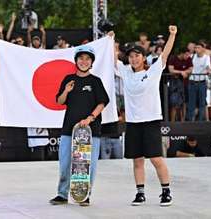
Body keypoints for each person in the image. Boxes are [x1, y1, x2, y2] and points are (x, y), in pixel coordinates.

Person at [113, 25, 177, 207]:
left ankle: (166, 191)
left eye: (137, 56)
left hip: (151, 121)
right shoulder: (125, 72)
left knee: (156, 158)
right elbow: (113, 59)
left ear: (143, 57)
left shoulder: (153, 71)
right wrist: (110, 39)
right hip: (133, 123)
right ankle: (140, 193)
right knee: (137, 160)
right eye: (131, 56)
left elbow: (165, 54)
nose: (133, 59)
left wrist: (172, 35)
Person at [49, 45, 109, 206]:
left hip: (90, 131)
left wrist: (90, 118)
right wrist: (66, 91)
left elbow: (102, 103)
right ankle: (62, 194)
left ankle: (84, 195)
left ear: (92, 62)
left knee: (88, 164)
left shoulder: (95, 81)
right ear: (76, 61)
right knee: (65, 163)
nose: (84, 61)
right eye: (81, 58)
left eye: (87, 59)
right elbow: (60, 101)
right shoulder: (69, 79)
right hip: (69, 129)